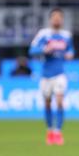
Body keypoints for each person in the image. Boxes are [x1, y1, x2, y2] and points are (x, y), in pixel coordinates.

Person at [29, 8, 74, 145]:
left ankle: (58, 132)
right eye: (54, 17)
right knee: (48, 104)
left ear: (62, 20)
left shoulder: (66, 35)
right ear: (50, 19)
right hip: (46, 74)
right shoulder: (44, 34)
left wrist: (70, 54)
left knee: (60, 102)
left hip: (60, 73)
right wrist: (44, 50)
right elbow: (31, 50)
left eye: (59, 17)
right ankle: (49, 131)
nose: (57, 19)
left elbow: (70, 50)